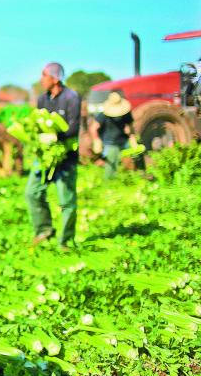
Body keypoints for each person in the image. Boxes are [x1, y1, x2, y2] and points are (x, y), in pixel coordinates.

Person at [25, 63, 81, 251]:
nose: (41, 79)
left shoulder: (71, 98)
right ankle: (44, 230)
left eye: (44, 75)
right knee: (32, 192)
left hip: (66, 157)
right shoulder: (43, 99)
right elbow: (39, 122)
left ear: (55, 78)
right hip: (45, 156)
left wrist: (55, 136)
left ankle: (65, 241)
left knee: (67, 201)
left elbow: (73, 128)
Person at [89, 91, 142, 179]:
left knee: (138, 154)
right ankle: (109, 184)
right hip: (110, 143)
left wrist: (133, 140)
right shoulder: (103, 115)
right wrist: (96, 140)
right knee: (112, 164)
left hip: (124, 141)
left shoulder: (126, 113)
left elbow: (130, 127)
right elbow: (93, 128)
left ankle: (137, 176)